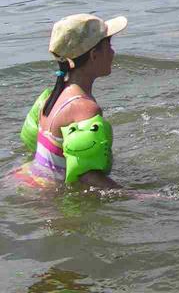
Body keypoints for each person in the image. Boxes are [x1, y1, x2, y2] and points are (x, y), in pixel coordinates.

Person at [15, 13, 126, 189]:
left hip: (30, 177)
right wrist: (137, 197)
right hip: (47, 195)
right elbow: (87, 175)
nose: (113, 52)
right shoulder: (84, 108)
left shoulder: (53, 95)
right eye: (109, 46)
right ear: (94, 55)